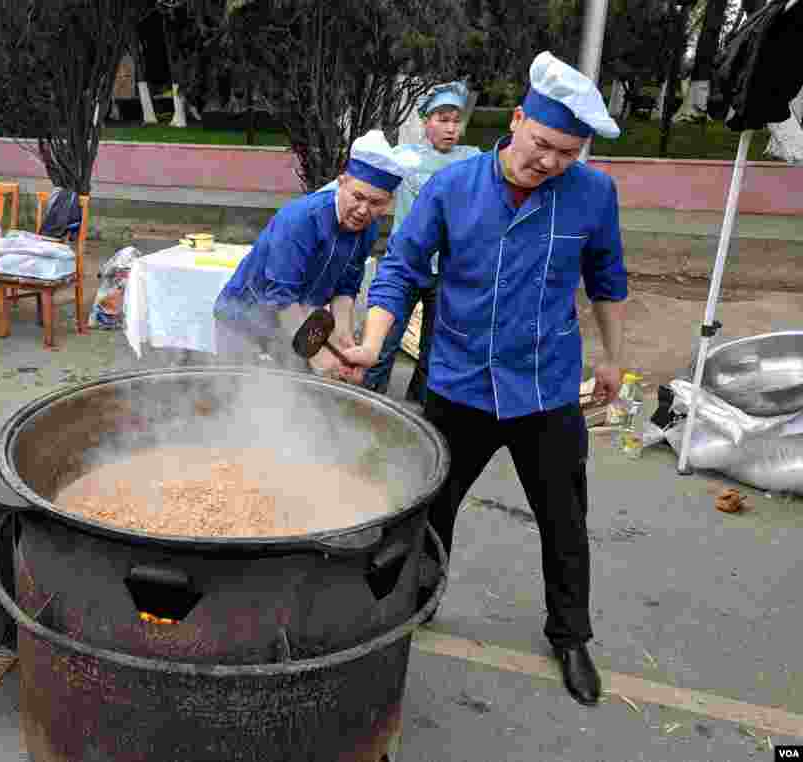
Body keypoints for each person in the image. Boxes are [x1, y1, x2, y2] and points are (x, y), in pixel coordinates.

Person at [344, 51, 629, 707]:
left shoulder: (593, 194)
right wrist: (372, 343)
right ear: (519, 119)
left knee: (564, 520)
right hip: (460, 381)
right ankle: (422, 593)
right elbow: (401, 270)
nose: (551, 162)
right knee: (429, 511)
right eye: (543, 144)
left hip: (546, 388)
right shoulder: (454, 187)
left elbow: (607, 281)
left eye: (567, 152)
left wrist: (613, 358)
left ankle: (571, 634)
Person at [213, 130, 405, 379]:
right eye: (358, 197)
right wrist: (316, 355)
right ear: (343, 181)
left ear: (388, 202)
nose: (363, 210)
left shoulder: (368, 229)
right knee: (237, 392)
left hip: (298, 319)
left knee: (294, 396)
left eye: (376, 203)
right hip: (243, 317)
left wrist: (343, 341)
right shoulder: (301, 220)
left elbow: (345, 288)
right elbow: (281, 297)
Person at [363, 81, 481, 403]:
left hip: (449, 271)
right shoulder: (403, 158)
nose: (450, 128)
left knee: (435, 349)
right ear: (426, 121)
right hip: (406, 267)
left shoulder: (472, 162)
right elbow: (361, 180)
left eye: (456, 120)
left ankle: (420, 412)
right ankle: (369, 404)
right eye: (442, 119)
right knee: (384, 341)